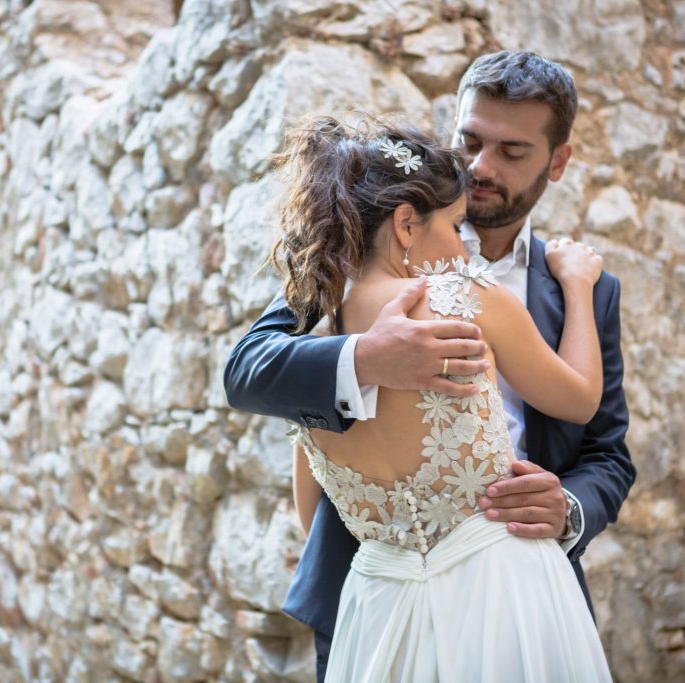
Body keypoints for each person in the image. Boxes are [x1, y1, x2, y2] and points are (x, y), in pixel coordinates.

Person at [224, 51, 635, 681]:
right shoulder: (330, 276)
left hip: (500, 578)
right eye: (469, 140)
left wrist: (569, 510)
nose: (479, 167)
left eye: (511, 151)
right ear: (408, 223)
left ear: (558, 161)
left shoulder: (586, 287)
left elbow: (607, 449)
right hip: (371, 595)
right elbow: (251, 367)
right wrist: (366, 358)